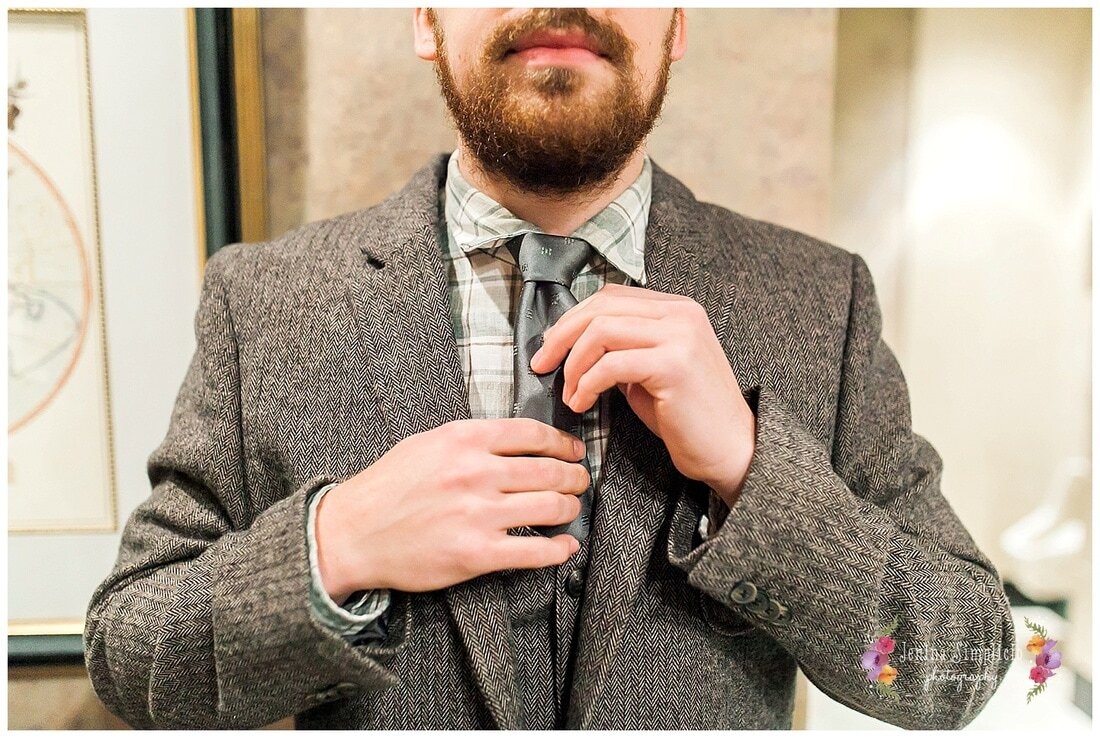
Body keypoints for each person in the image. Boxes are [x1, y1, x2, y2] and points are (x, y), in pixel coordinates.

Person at [84, 7, 1015, 730]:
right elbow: (133, 655)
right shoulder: (266, 303)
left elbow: (958, 664)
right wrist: (339, 545)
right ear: (425, 20)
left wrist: (752, 471)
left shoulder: (819, 303)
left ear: (678, 24)